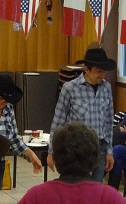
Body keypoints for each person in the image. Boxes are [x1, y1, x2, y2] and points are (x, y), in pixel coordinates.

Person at [49, 47, 116, 184]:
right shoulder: (70, 88)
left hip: (99, 148)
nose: (102, 75)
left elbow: (109, 121)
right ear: (86, 69)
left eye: (104, 71)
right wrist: (52, 151)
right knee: (76, 187)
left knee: (95, 189)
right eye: (98, 71)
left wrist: (109, 151)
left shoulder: (106, 87)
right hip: (75, 150)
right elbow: (58, 121)